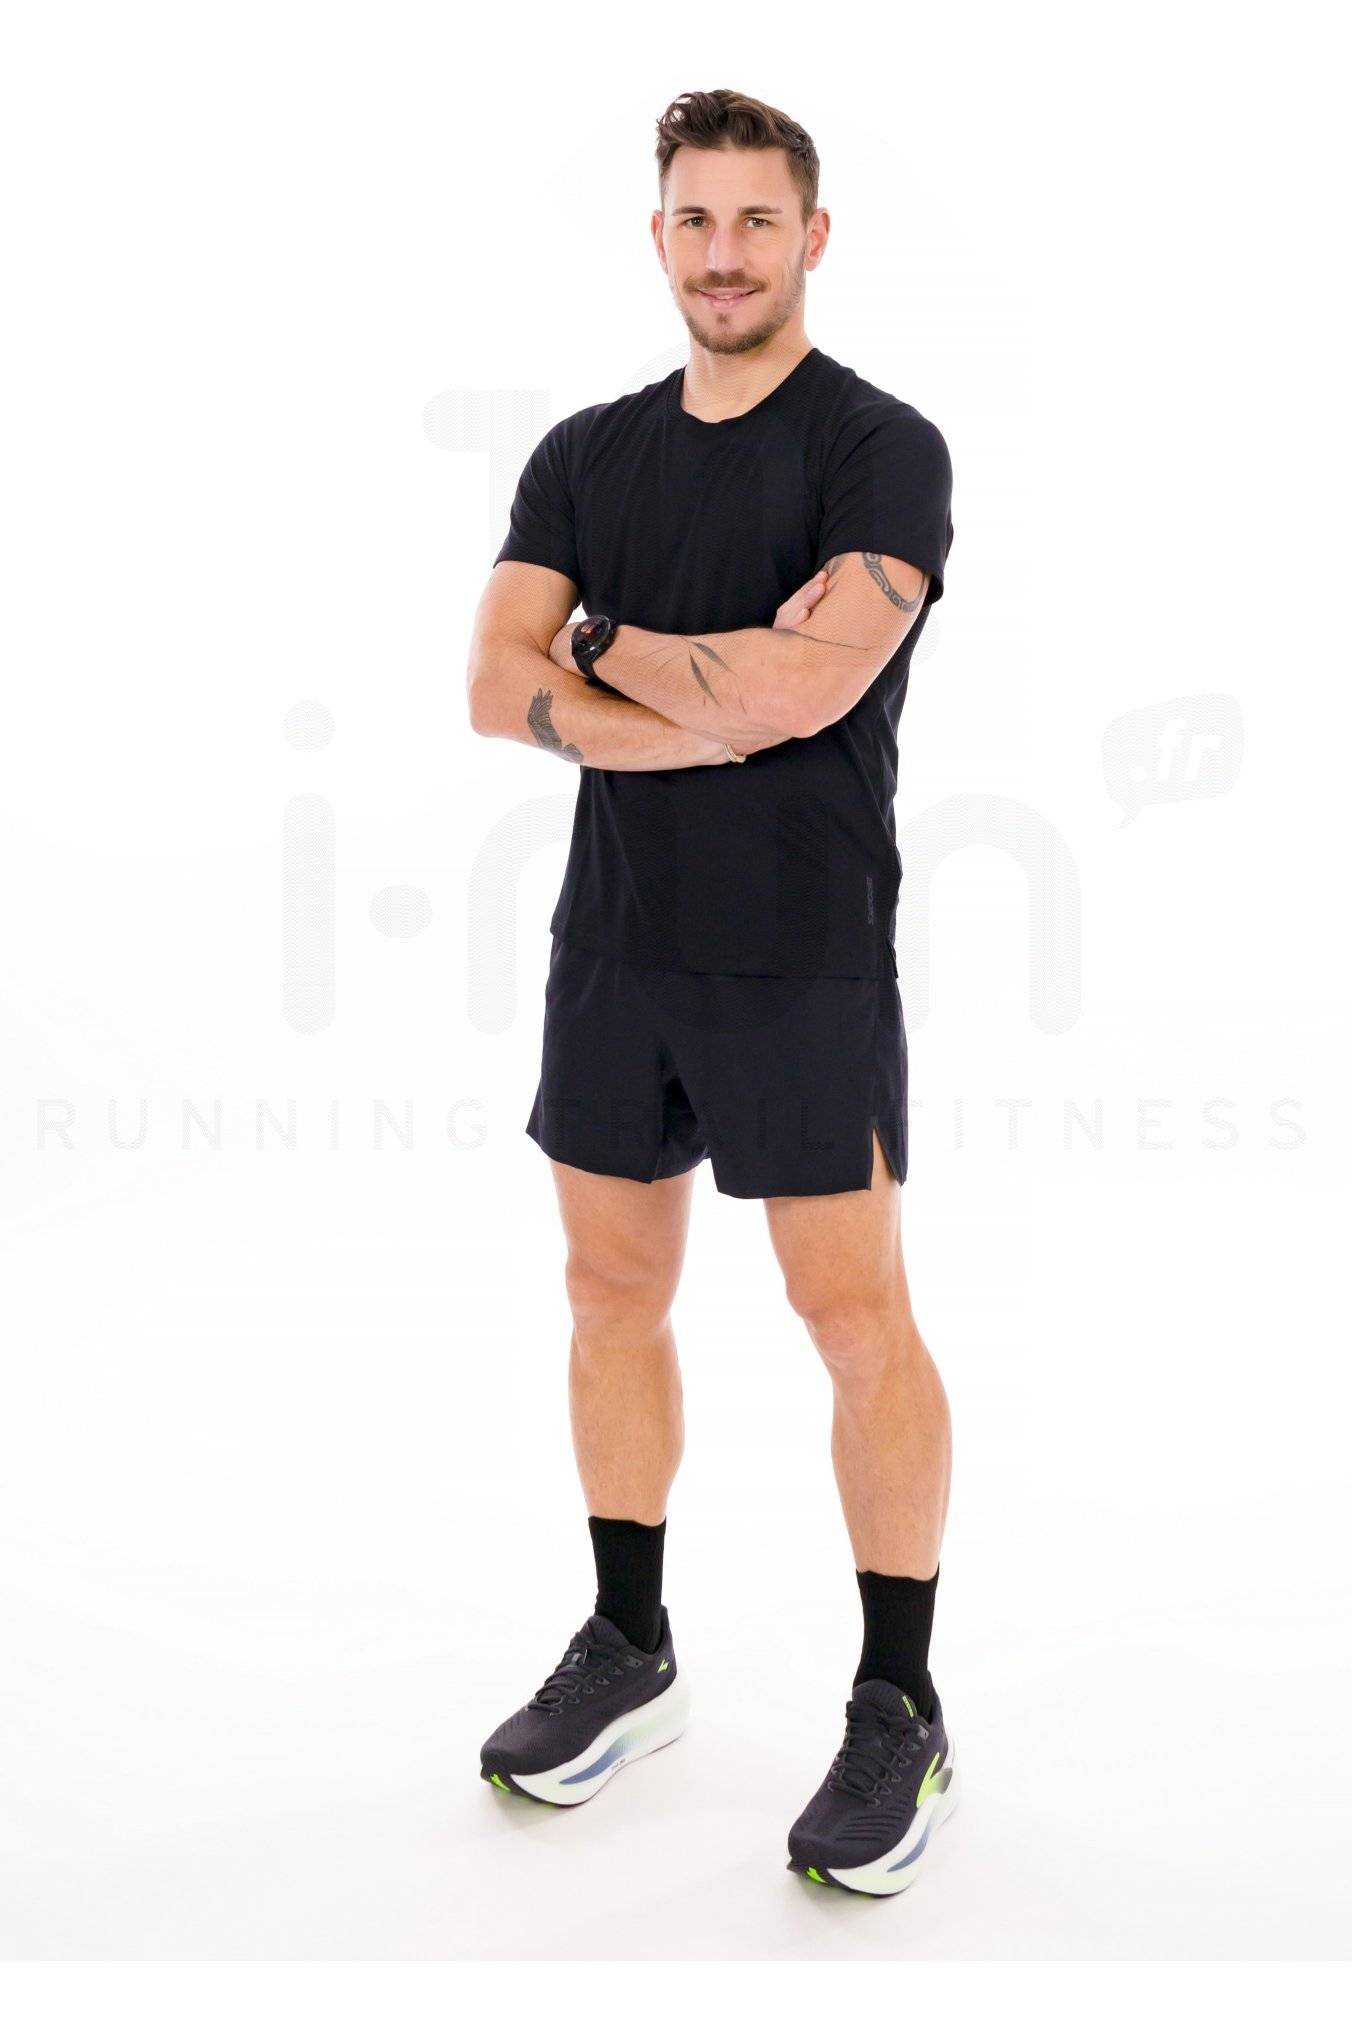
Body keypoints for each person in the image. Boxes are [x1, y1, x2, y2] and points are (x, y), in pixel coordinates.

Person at [465, 87, 956, 1898]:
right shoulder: (585, 454)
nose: (726, 252)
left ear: (812, 237)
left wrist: (600, 649)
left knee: (853, 1317)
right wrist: (708, 687)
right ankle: (630, 1643)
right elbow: (490, 682)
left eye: (759, 220)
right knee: (609, 1291)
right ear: (658, 234)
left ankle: (901, 1702)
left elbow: (810, 693)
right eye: (697, 218)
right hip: (613, 944)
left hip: (803, 954)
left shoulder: (880, 450)